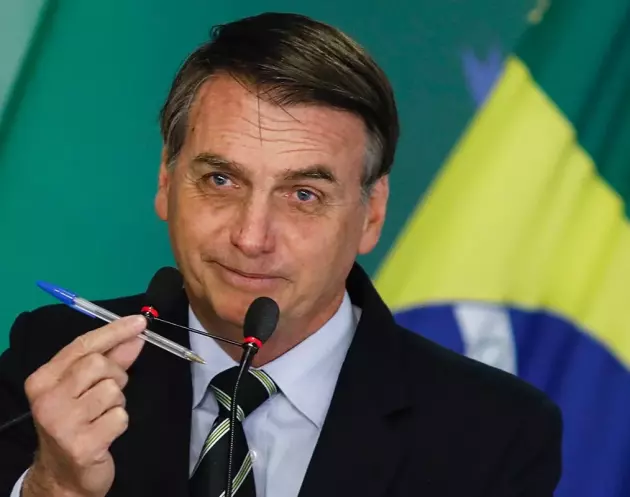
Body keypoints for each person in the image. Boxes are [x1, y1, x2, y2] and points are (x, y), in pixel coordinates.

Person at [0, 11, 562, 497]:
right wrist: (56, 487)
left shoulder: (494, 432)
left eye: (303, 195)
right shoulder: (49, 360)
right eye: (221, 180)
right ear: (166, 182)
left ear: (371, 213)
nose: (251, 237)